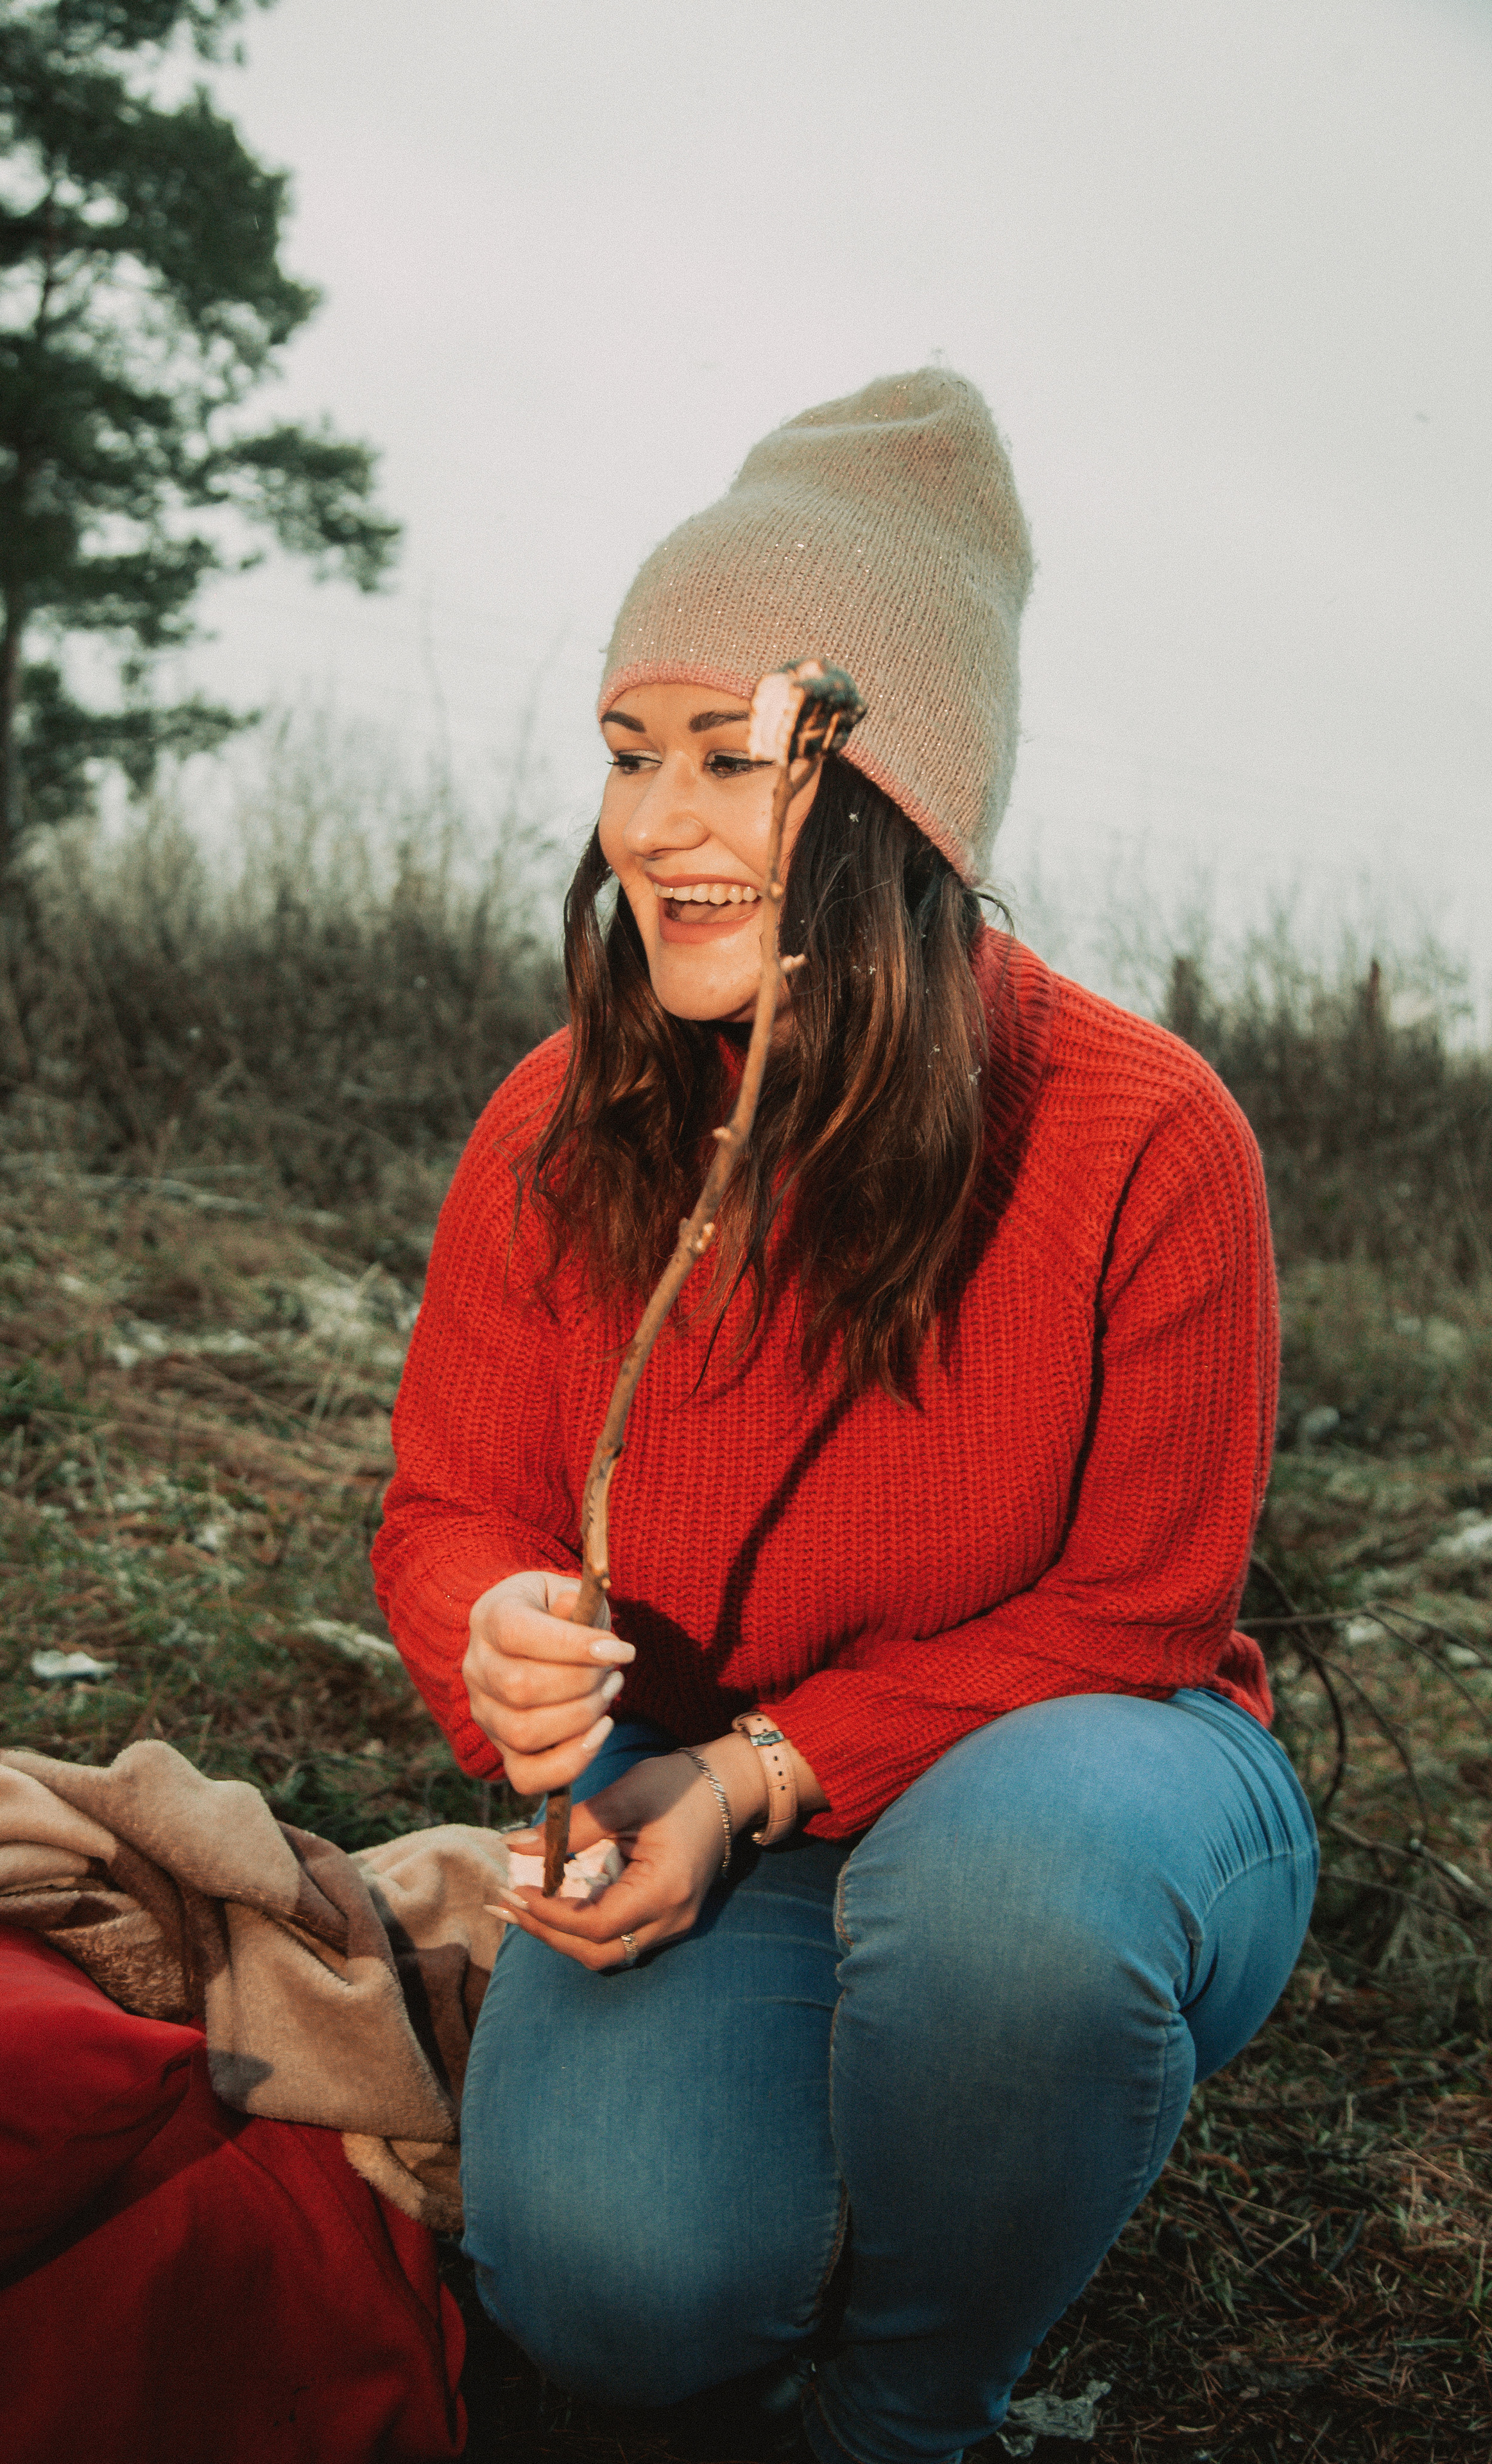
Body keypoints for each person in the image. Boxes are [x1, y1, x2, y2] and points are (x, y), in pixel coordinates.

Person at [372, 370, 1319, 2464]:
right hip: (714, 1816)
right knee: (609, 2286)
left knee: (1013, 1903)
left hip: (1077, 1794)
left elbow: (1142, 1616)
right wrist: (508, 1635)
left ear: (900, 789)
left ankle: (910, 2405)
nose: (652, 825)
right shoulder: (564, 1121)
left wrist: (763, 1773)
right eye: (628, 755)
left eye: (732, 757)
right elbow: (449, 1500)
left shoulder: (1145, 1134)